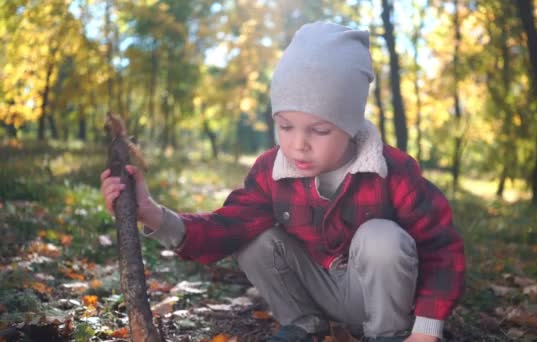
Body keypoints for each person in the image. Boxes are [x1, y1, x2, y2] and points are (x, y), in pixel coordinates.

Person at [100, 22, 465, 342]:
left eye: (319, 130)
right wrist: (151, 213)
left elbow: (441, 248)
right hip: (316, 288)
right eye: (285, 126)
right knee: (255, 239)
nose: (297, 144)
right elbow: (227, 227)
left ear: (351, 124)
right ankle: (304, 323)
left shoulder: (392, 171)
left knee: (381, 237)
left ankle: (388, 333)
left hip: (376, 296)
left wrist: (426, 328)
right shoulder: (272, 171)